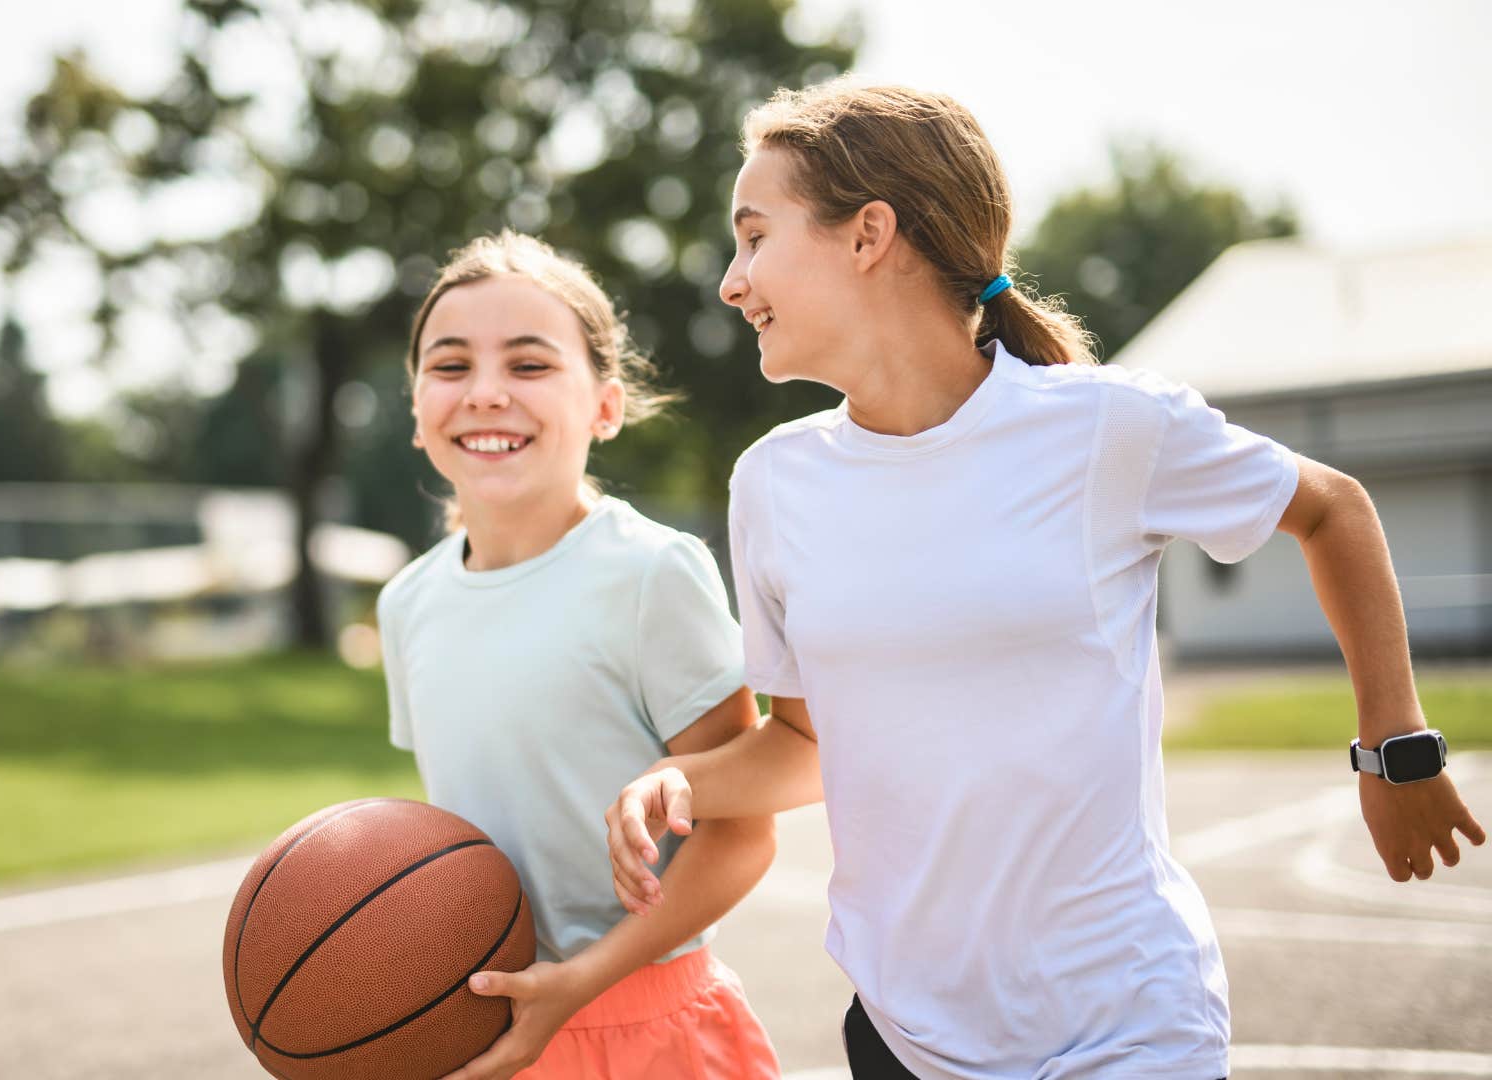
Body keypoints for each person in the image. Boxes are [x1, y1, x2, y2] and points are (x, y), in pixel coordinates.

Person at [605, 77, 1486, 1080]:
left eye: (755, 238)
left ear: (868, 235)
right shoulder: (773, 483)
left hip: (1124, 1030)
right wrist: (677, 780)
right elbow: (807, 745)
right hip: (905, 1036)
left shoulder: (1107, 427)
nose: (732, 282)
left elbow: (1333, 509)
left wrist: (1396, 749)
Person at [378, 231, 783, 1079]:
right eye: (450, 366)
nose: (486, 392)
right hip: (490, 1030)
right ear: (416, 409)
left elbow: (743, 835)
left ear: (605, 406)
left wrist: (580, 981)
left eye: (529, 364)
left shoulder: (651, 574)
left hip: (650, 1029)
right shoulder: (407, 604)